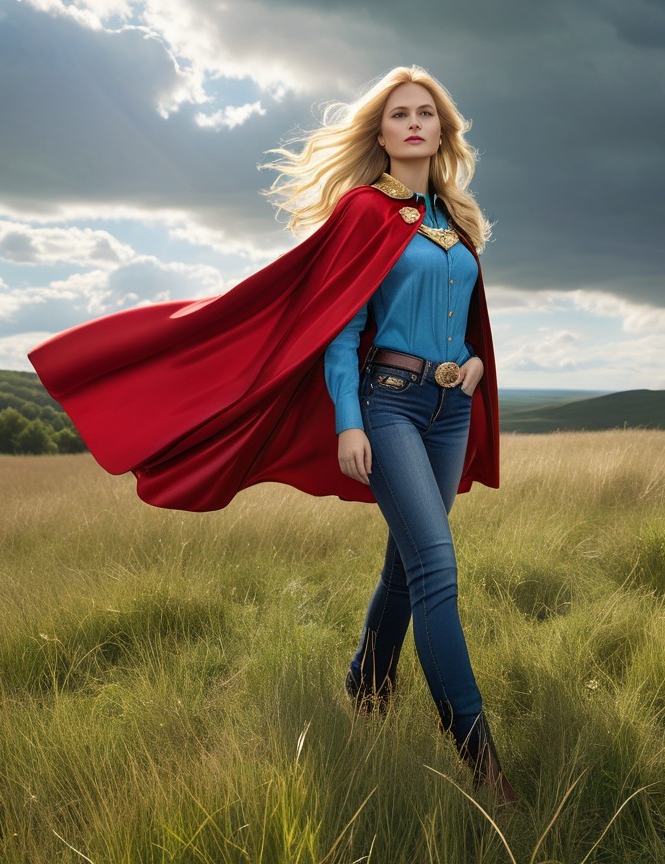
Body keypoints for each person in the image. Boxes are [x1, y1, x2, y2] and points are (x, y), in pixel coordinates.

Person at [27, 66, 517, 806]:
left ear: (443, 131)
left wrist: (475, 362)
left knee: (407, 563)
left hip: (451, 411)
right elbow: (339, 327)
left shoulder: (456, 221)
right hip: (388, 407)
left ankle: (367, 688)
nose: (414, 123)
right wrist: (349, 421)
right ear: (381, 134)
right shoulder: (364, 212)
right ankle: (482, 762)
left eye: (426, 113)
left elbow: (463, 318)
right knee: (437, 570)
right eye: (399, 114)